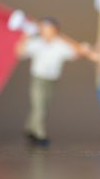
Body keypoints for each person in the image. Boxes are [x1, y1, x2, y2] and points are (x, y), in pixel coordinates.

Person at [15, 17, 83, 147]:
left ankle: (30, 128)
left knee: (42, 105)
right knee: (39, 106)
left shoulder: (60, 44)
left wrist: (64, 38)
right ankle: (40, 134)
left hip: (51, 80)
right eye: (45, 29)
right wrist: (25, 36)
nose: (46, 32)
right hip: (38, 79)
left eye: (50, 29)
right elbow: (20, 52)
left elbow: (76, 52)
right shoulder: (36, 42)